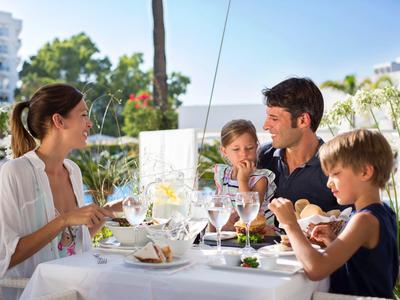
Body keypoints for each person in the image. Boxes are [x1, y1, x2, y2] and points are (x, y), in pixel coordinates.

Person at [0, 83, 115, 300]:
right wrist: (64, 220)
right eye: (83, 115)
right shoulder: (14, 173)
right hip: (34, 293)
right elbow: (7, 257)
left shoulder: (73, 171)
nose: (89, 123)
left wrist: (106, 214)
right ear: (58, 121)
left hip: (74, 289)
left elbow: (66, 245)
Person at [269, 129, 398, 298]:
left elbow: (316, 269)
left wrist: (290, 224)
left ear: (365, 172)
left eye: (335, 174)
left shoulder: (364, 219)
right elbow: (367, 265)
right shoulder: (384, 212)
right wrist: (333, 242)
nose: (329, 183)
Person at [258, 77, 339, 212]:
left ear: (302, 120)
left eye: (274, 118)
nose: (265, 126)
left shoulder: (337, 165)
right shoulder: (262, 156)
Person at [214, 119, 276, 232]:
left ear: (256, 147)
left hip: (261, 236)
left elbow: (248, 213)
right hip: (232, 236)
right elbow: (216, 212)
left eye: (249, 148)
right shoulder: (222, 175)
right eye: (236, 149)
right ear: (224, 151)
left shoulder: (261, 178)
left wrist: (242, 180)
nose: (243, 154)